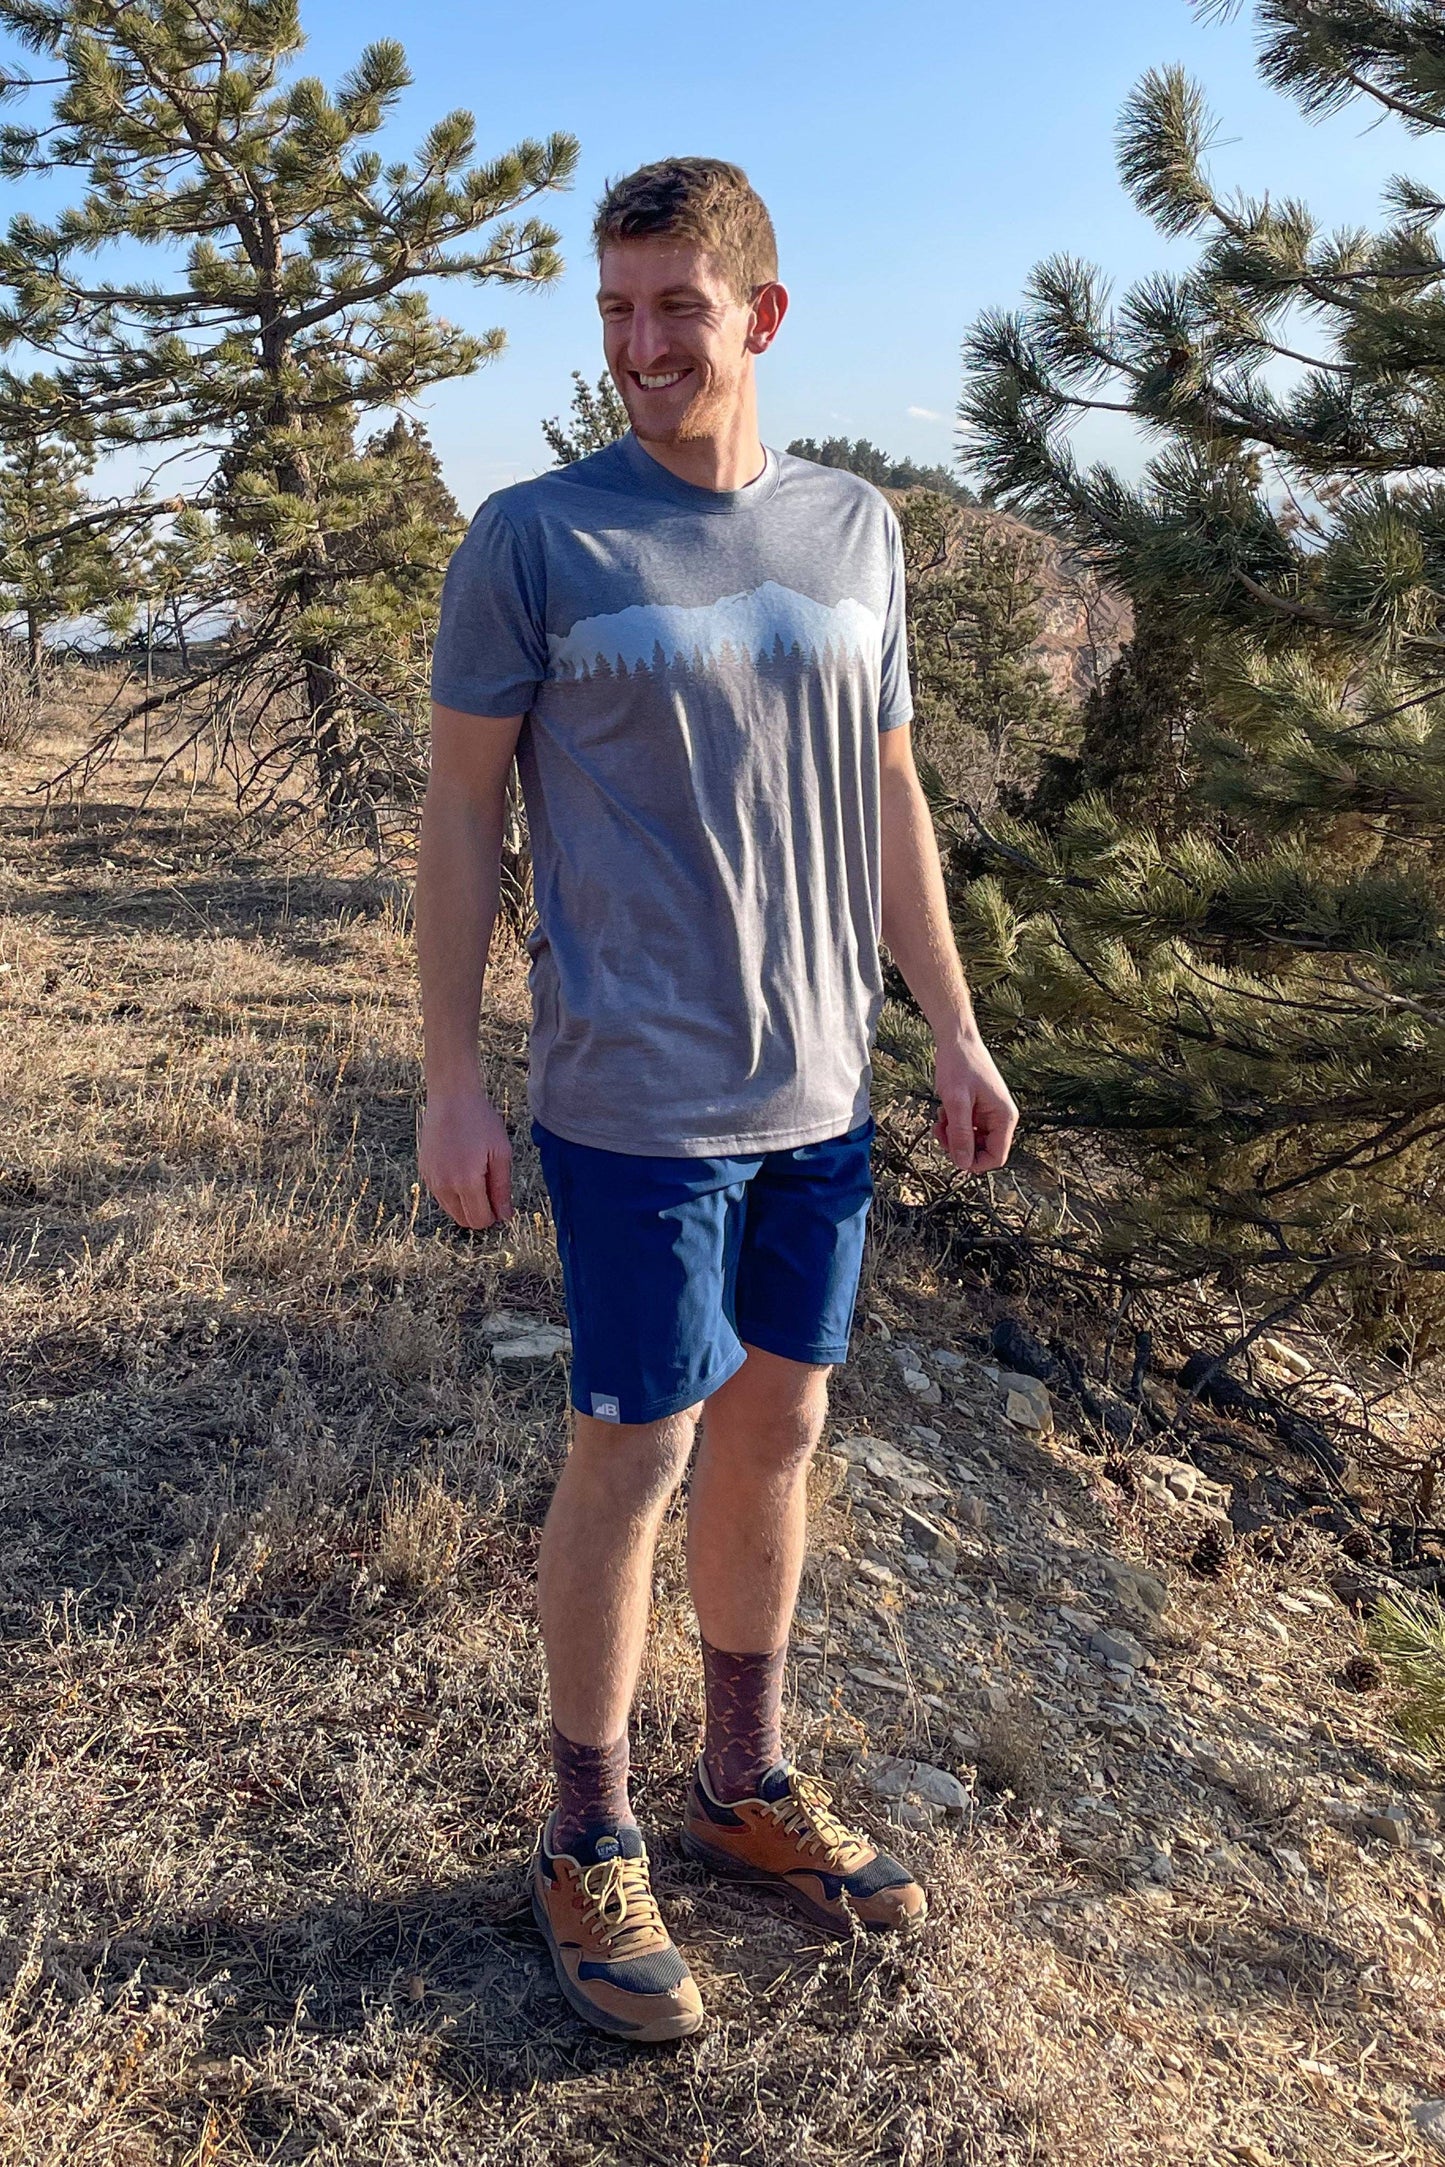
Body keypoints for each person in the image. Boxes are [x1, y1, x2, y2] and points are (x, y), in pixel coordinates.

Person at [417, 157, 1018, 2044]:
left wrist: (952, 1024)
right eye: (612, 309)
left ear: (761, 315)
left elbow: (892, 793)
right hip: (630, 1096)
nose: (637, 345)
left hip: (820, 1087)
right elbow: (456, 821)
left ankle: (738, 1781)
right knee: (638, 1449)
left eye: (674, 306)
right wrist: (451, 1076)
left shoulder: (857, 530)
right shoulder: (534, 539)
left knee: (779, 1433)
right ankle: (583, 1833)